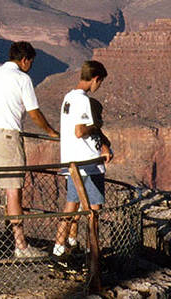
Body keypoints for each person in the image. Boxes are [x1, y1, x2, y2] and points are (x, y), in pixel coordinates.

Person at [0, 41, 58, 258]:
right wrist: (50, 131)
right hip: (8, 137)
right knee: (13, 191)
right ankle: (20, 245)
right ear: (24, 60)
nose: (30, 66)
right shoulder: (23, 79)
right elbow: (33, 112)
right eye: (31, 62)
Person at [52, 60, 113, 259]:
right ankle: (92, 251)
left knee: (70, 207)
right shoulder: (83, 100)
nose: (98, 86)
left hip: (73, 163)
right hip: (88, 164)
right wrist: (95, 126)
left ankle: (59, 248)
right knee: (93, 210)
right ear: (95, 79)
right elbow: (80, 131)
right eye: (100, 82)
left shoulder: (68, 97)